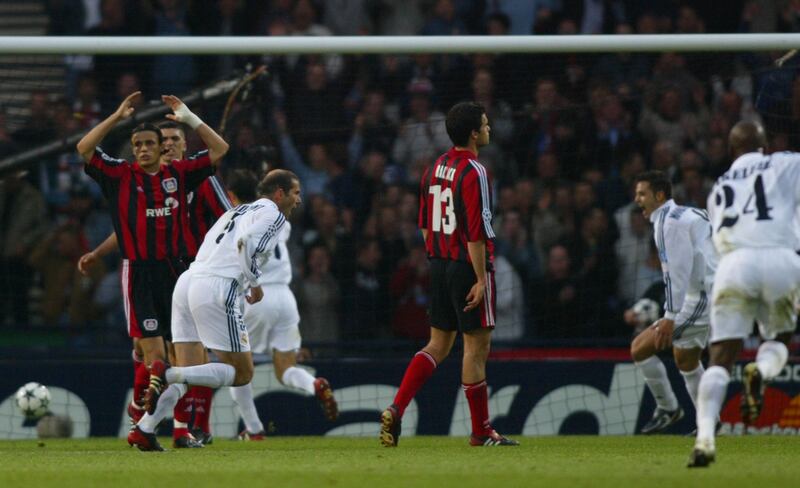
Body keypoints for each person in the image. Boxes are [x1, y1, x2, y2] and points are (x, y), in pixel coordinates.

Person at [76, 91, 229, 448]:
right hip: (139, 275)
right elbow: (84, 149)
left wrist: (191, 119)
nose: (143, 149)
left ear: (162, 148)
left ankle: (160, 425)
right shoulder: (120, 176)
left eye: (149, 143)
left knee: (180, 357)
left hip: (177, 274)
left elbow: (220, 150)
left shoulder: (180, 173)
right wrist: (115, 115)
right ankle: (148, 418)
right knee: (155, 357)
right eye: (138, 144)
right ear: (132, 148)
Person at [127, 169, 302, 451]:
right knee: (242, 373)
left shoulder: (237, 211)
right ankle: (166, 374)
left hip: (188, 282)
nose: (299, 200)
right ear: (279, 193)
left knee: (192, 371)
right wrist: (255, 283)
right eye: (296, 193)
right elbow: (246, 244)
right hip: (218, 287)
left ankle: (145, 429)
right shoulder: (274, 215)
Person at [380, 102, 518, 447]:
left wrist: (438, 262)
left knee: (437, 344)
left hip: (439, 264)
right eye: (485, 124)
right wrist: (481, 278)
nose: (488, 129)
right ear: (474, 133)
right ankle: (481, 431)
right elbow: (476, 233)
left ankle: (397, 407)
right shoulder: (475, 171)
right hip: (466, 266)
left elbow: (425, 226)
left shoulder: (435, 167)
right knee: (475, 347)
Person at [688, 121, 800, 467]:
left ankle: (704, 440)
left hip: (734, 265)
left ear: (731, 149)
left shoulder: (718, 187)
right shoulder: (785, 162)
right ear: (763, 145)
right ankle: (762, 373)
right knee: (778, 339)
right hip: (781, 258)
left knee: (720, 358)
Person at [224, 169, 339, 441]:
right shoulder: (281, 221)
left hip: (257, 296)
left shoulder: (241, 219)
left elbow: (242, 244)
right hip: (286, 298)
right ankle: (314, 384)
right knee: (285, 367)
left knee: (236, 367)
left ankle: (254, 429)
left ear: (231, 196)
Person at [630, 170, 717, 434]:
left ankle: (668, 408)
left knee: (639, 348)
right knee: (686, 360)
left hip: (701, 297)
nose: (637, 199)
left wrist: (669, 316)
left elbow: (675, 272)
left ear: (659, 195)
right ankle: (710, 423)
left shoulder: (669, 223)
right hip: (711, 291)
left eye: (642, 193)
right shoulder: (687, 213)